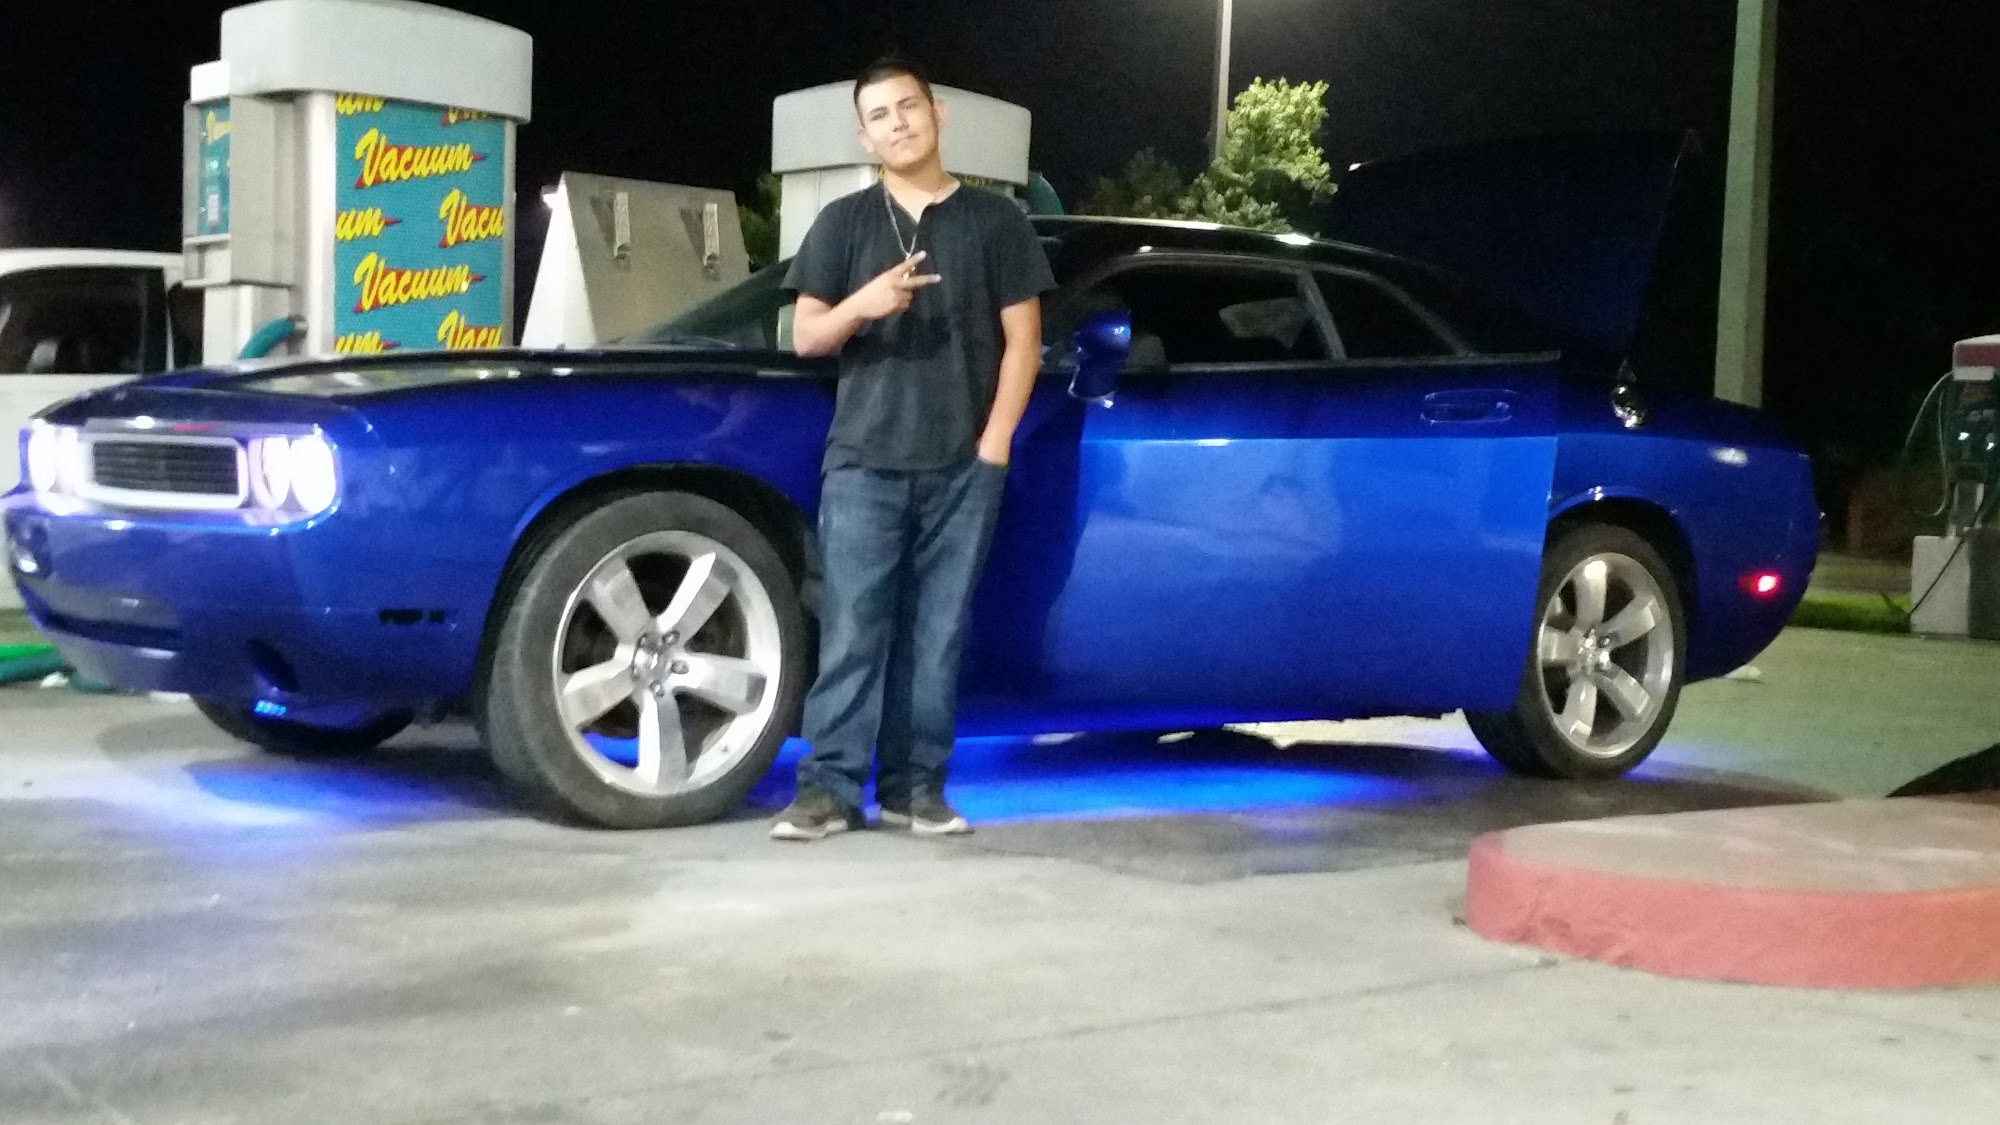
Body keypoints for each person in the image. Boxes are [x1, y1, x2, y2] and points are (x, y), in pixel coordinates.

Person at [770, 58, 1055, 841]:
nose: (897, 123)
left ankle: (915, 788)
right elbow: (806, 336)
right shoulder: (844, 222)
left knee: (937, 638)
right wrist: (865, 303)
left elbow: (1024, 341)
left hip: (964, 466)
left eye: (908, 107)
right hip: (863, 462)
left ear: (938, 114)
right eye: (880, 115)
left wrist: (994, 445)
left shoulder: (997, 221)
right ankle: (827, 790)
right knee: (853, 631)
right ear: (864, 136)